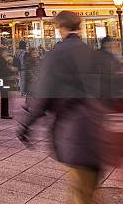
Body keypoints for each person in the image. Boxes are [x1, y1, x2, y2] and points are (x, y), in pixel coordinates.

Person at [17, 11, 119, 204]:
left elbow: (42, 95)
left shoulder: (55, 55)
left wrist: (25, 125)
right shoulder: (94, 54)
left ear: (60, 28)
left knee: (81, 193)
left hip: (73, 133)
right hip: (99, 131)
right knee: (86, 191)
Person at [0, 48, 15, 119]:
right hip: (3, 81)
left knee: (5, 97)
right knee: (5, 97)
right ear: (2, 53)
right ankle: (4, 114)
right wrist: (10, 69)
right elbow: (3, 71)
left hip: (2, 81)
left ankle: (4, 113)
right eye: (6, 52)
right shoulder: (1, 61)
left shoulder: (2, 60)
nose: (7, 54)